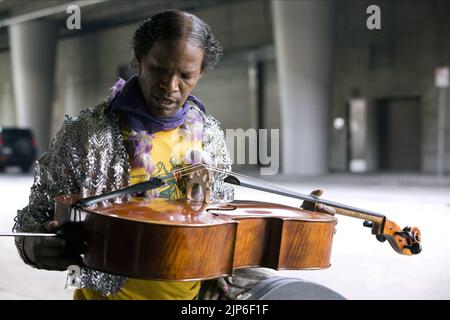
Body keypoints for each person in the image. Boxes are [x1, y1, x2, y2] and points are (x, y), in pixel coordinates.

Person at [14, 9, 335, 300]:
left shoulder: (208, 135)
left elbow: (220, 223)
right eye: (159, 69)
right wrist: (35, 245)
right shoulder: (85, 135)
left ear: (200, 73)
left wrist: (300, 224)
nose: (170, 85)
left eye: (185, 75)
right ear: (139, 59)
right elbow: (34, 217)